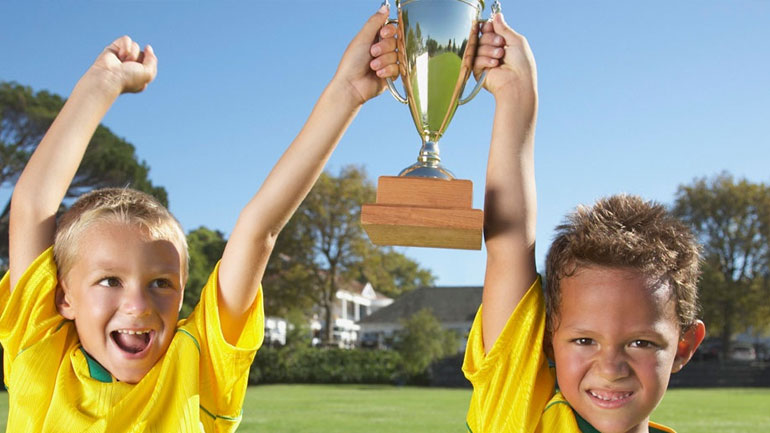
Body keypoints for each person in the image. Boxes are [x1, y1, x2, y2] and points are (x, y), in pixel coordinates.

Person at [0, 5, 401, 431]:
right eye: (109, 280)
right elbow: (31, 205)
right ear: (64, 298)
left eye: (161, 283)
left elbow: (258, 230)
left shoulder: (198, 365)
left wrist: (347, 92)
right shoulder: (41, 356)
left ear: (181, 292)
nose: (138, 305)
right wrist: (103, 84)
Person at [462, 13, 707, 433]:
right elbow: (508, 243)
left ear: (685, 345)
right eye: (584, 340)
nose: (610, 368)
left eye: (641, 342)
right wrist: (517, 98)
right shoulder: (519, 414)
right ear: (546, 338)